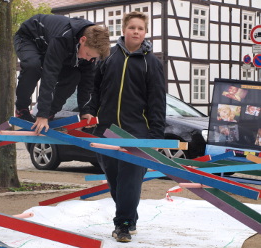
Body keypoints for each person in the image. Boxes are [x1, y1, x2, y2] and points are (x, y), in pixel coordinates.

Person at [82, 11, 166, 242]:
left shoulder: (151, 63)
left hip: (136, 132)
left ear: (145, 33)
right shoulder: (108, 56)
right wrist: (89, 110)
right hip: (107, 131)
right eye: (132, 28)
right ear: (124, 30)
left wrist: (156, 135)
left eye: (140, 28)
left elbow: (157, 100)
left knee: (130, 179)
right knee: (115, 180)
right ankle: (130, 217)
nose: (136, 32)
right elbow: (95, 89)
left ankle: (123, 225)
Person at [14, 14, 110, 134]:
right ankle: (21, 108)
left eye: (92, 58)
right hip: (29, 38)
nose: (88, 59)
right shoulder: (62, 38)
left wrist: (85, 111)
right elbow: (49, 76)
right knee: (33, 65)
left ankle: (50, 114)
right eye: (88, 54)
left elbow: (87, 82)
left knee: (74, 76)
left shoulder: (89, 53)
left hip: (51, 46)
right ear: (83, 40)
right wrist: (41, 114)